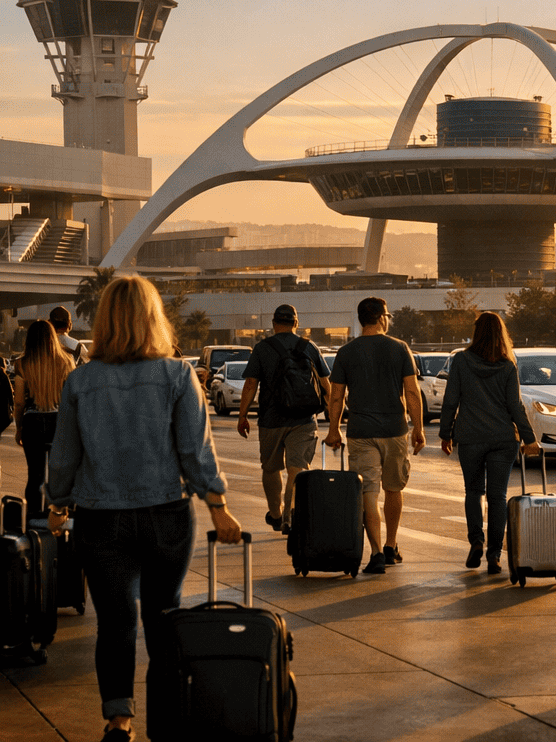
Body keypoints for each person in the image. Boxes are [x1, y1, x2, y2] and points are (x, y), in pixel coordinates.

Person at [46, 275, 241, 742]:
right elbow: (195, 451)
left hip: (99, 516)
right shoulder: (177, 375)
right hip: (166, 514)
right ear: (155, 317)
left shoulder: (82, 380)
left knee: (114, 622)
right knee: (163, 616)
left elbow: (65, 454)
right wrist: (218, 506)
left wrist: (57, 506)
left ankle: (118, 718)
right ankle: (166, 717)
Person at [325, 297, 425, 574]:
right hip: (395, 431)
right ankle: (392, 546)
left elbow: (336, 397)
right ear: (382, 318)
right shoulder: (400, 348)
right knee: (394, 488)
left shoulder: (346, 353)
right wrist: (418, 428)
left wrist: (334, 430)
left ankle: (377, 552)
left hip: (361, 432)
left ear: (361, 320)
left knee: (369, 491)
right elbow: (413, 392)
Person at [438, 312, 540, 574]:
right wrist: (529, 439)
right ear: (501, 334)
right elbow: (515, 406)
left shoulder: (461, 360)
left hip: (470, 438)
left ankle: (476, 542)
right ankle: (494, 555)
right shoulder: (508, 365)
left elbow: (451, 399)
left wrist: (445, 433)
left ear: (476, 332)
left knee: (473, 492)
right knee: (498, 497)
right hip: (502, 439)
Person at [238, 304, 330, 534]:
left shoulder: (262, 349)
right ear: (296, 323)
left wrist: (242, 415)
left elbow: (250, 384)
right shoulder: (309, 347)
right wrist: (335, 418)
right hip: (304, 418)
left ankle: (277, 515)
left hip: (271, 418)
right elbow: (326, 385)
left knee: (271, 468)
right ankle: (290, 516)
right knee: (297, 469)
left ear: (274, 323)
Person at [13, 320, 75, 519]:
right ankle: (58, 516)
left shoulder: (21, 364)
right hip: (59, 422)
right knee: (60, 475)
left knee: (35, 475)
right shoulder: (66, 361)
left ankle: (33, 518)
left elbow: (19, 402)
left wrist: (19, 427)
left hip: (33, 423)